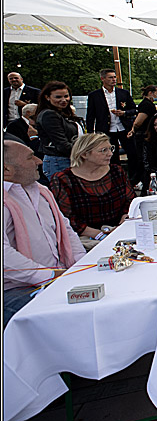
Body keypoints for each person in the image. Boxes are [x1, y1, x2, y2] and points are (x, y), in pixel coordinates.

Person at [3, 140, 86, 327]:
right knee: (67, 317)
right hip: (17, 288)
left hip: (57, 276)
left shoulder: (41, 191)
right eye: (30, 157)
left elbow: (65, 228)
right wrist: (48, 276)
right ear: (6, 170)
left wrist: (80, 265)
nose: (39, 161)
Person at [49, 133, 135, 245]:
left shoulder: (116, 171)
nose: (110, 154)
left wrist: (123, 222)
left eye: (111, 148)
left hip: (118, 229)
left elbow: (130, 200)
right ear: (84, 154)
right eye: (103, 150)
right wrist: (100, 234)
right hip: (85, 236)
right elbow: (67, 217)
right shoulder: (63, 179)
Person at [86, 68, 139, 179]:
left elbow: (134, 109)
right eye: (110, 77)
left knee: (132, 153)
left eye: (115, 77)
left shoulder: (123, 93)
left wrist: (124, 113)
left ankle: (134, 178)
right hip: (106, 129)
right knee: (111, 156)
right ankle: (116, 177)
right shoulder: (94, 95)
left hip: (124, 128)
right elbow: (90, 115)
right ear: (103, 79)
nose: (114, 80)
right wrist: (91, 133)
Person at [36, 81, 86, 182]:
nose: (64, 100)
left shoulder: (63, 113)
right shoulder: (49, 115)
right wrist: (86, 153)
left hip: (69, 159)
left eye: (66, 96)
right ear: (47, 97)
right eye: (58, 97)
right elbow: (61, 144)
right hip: (59, 161)